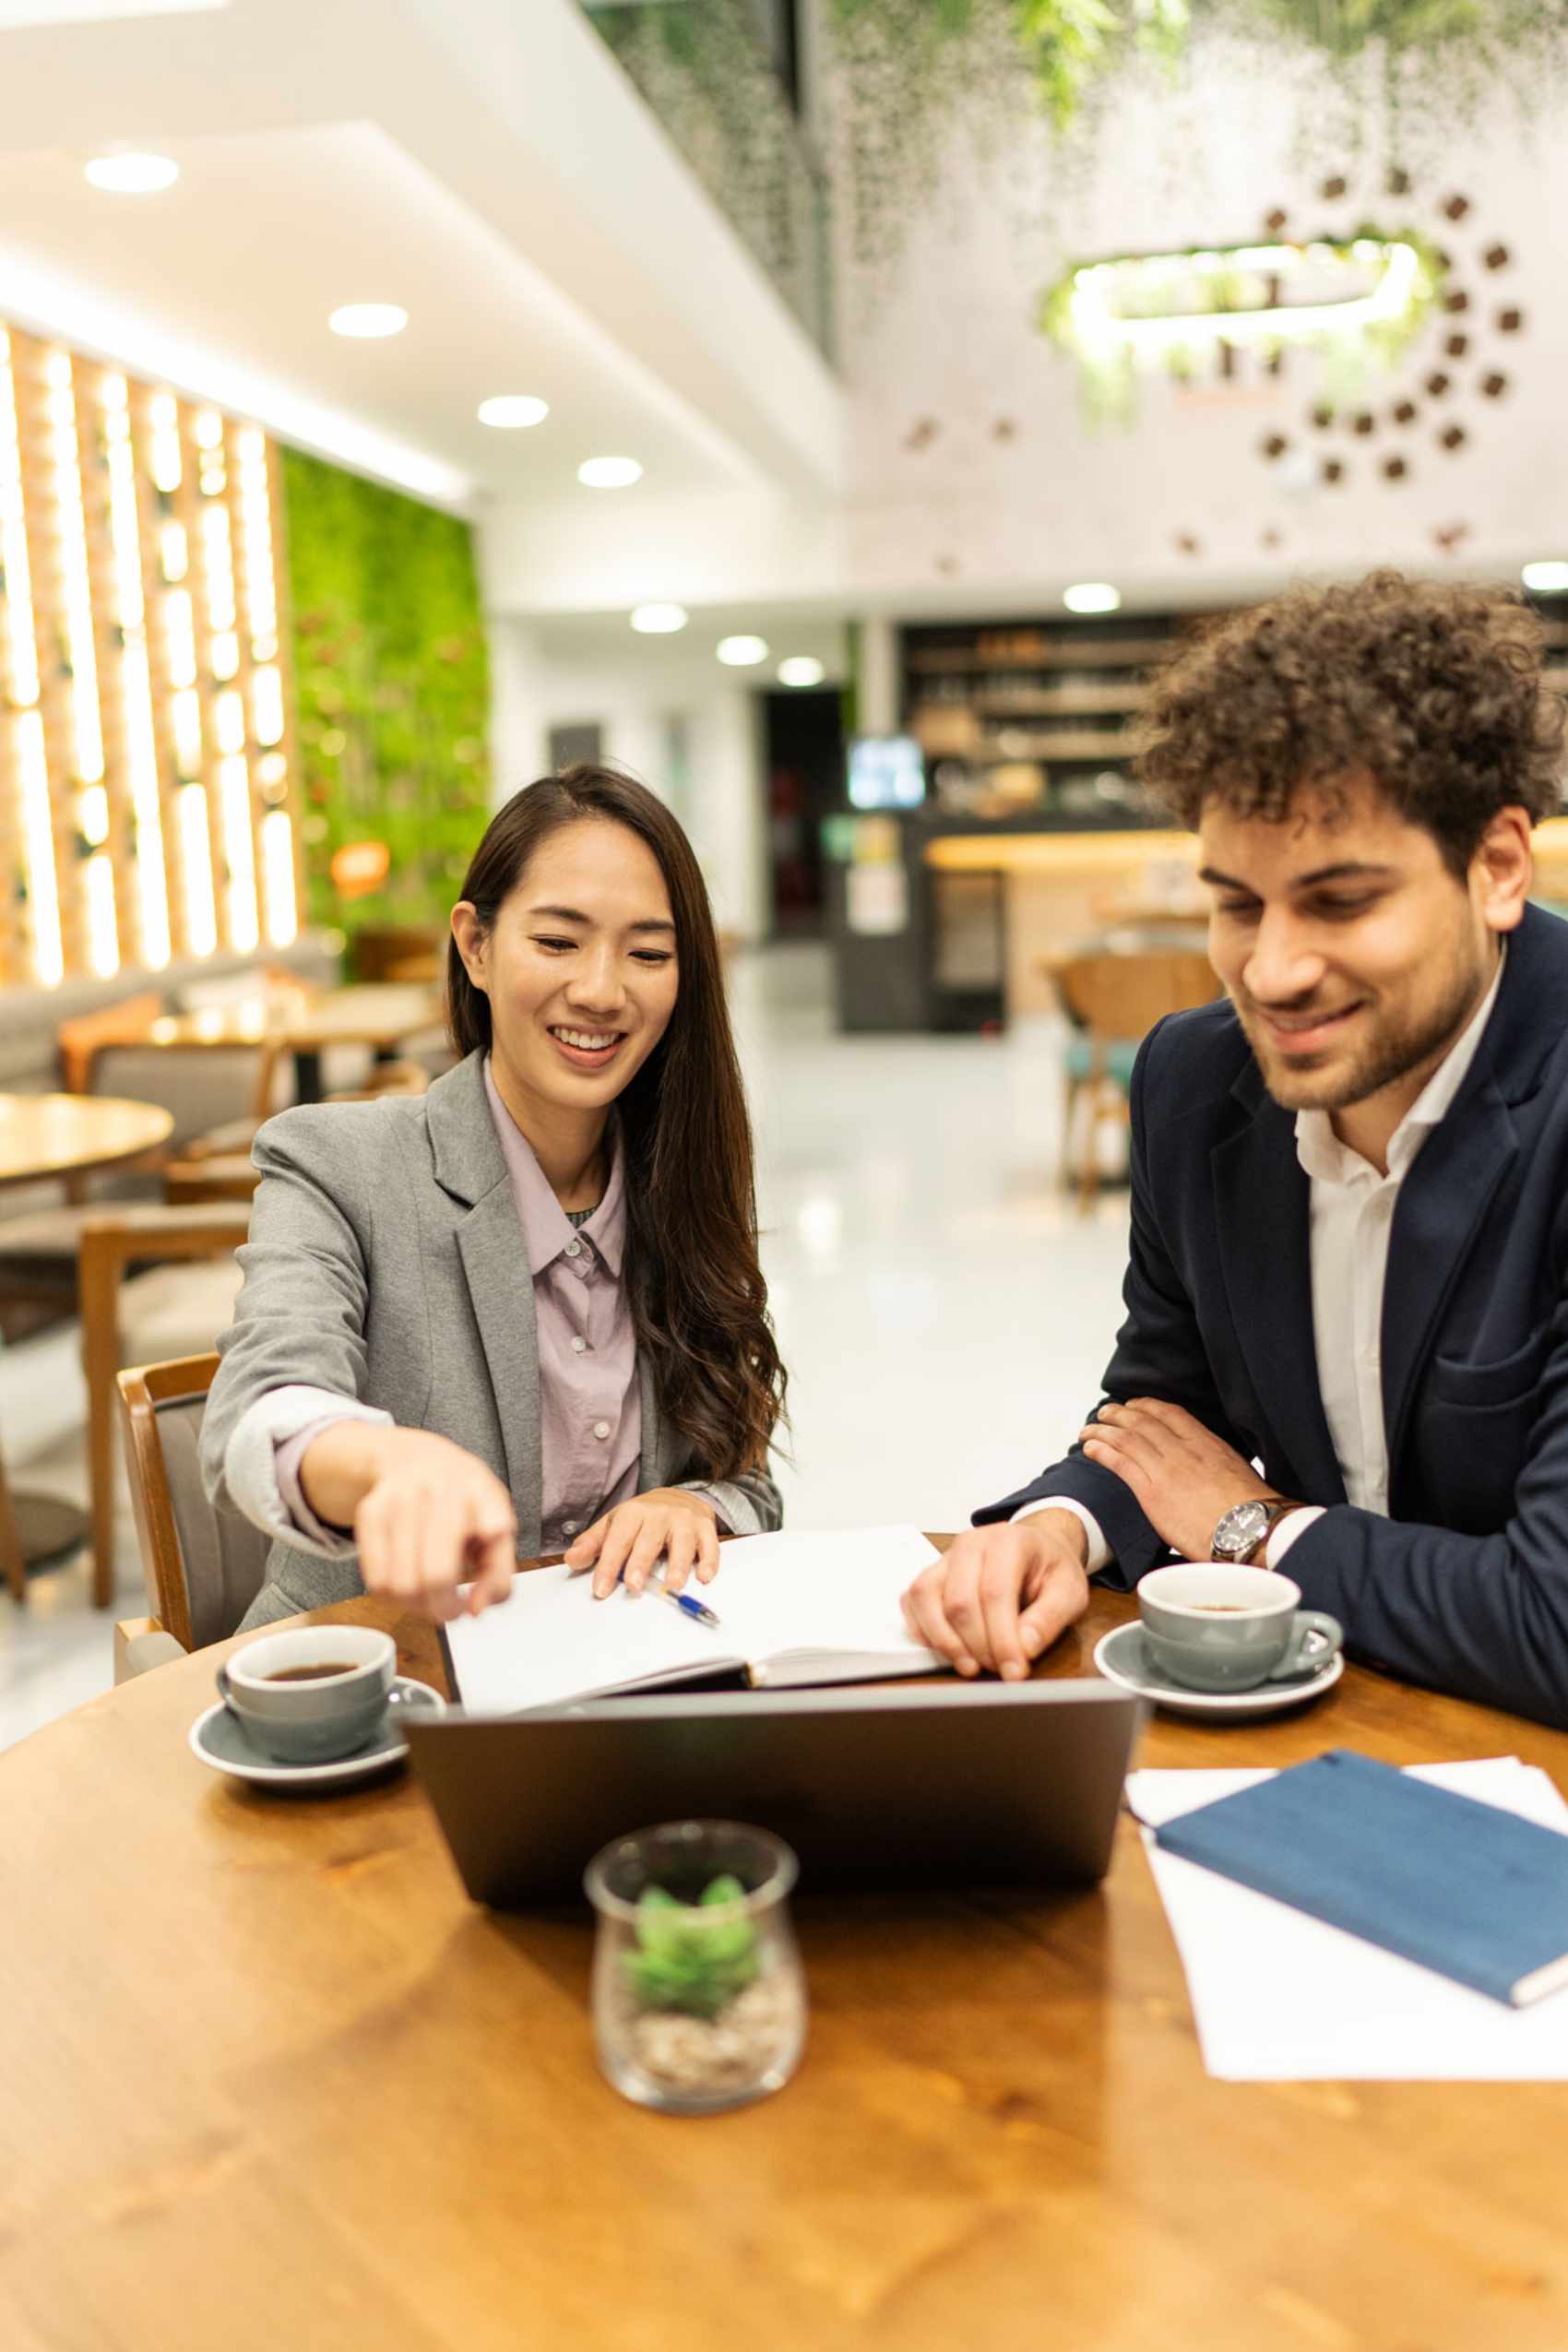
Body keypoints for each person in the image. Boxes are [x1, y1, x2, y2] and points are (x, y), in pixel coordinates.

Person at [904, 570, 1568, 1726]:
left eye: (1339, 901)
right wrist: (1057, 1528)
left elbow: (1551, 1620)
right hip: (1311, 1726)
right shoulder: (1193, 1080)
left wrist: (1246, 1527)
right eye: (1238, 905)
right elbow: (1164, 1411)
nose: (1270, 973)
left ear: (1496, 867)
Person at [204, 765, 785, 1630]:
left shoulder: (680, 1180)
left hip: (626, 1696)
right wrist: (380, 1461)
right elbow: (259, 1411)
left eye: (649, 953)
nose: (599, 990)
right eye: (557, 942)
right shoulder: (337, 1163)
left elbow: (749, 1481)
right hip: (389, 1688)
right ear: (475, 945)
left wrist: (696, 1507)